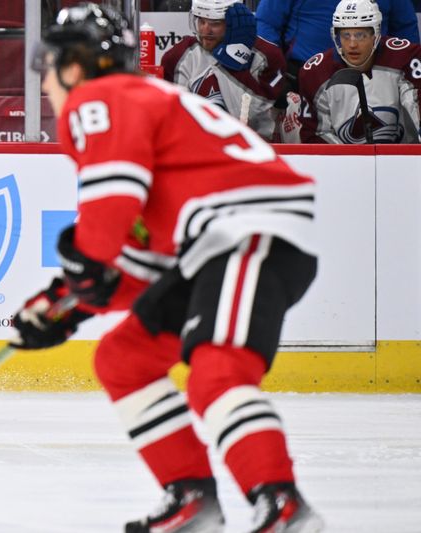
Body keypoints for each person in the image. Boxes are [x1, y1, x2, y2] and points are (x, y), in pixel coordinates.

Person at [18, 3, 324, 531]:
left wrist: (83, 270)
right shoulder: (143, 106)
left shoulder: (102, 97)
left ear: (75, 65)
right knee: (124, 358)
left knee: (217, 370)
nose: (45, 82)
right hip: (218, 240)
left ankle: (282, 503)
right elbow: (139, 263)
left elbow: (111, 205)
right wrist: (73, 303)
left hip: (246, 230)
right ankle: (192, 498)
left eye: (51, 65)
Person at [161, 0, 287, 141]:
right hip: (192, 147)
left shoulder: (267, 57)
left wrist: (233, 59)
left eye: (215, 24)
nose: (205, 30)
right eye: (201, 21)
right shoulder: (178, 55)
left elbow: (252, 116)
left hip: (252, 150)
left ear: (234, 23)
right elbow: (169, 115)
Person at [298, 0, 421, 143]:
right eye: (346, 35)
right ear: (336, 35)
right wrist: (352, 161)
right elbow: (316, 135)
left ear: (375, 35)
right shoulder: (315, 73)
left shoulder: (406, 58)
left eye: (360, 35)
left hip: (402, 159)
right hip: (343, 163)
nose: (352, 44)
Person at [256, 0, 419, 90]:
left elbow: (404, 27)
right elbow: (267, 23)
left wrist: (410, 74)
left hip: (376, 78)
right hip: (302, 78)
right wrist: (274, 70)